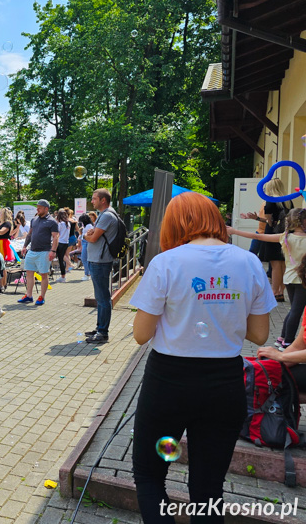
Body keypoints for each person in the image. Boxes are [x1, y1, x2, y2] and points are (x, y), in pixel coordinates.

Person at [129, 191, 274, 523]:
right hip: (224, 384)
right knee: (208, 488)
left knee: (150, 477)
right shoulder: (248, 262)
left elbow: (140, 335)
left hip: (168, 381)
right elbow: (259, 334)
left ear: (176, 222)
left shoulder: (166, 262)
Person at [228, 208, 306, 350]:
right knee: (297, 311)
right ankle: (288, 342)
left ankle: (281, 338)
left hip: (288, 278)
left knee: (294, 310)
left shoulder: (286, 237)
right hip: (302, 280)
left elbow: (258, 236)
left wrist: (234, 231)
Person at [242, 178, 291, 301]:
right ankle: (281, 291)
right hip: (285, 235)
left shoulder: (270, 201)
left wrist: (258, 219)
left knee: (275, 266)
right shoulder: (288, 201)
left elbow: (270, 222)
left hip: (272, 235)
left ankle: (275, 292)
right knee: (283, 265)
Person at [82, 189, 118, 343]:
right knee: (100, 297)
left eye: (94, 198)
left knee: (103, 298)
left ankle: (103, 332)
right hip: (97, 260)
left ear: (103, 200)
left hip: (100, 261)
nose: (92, 201)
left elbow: (93, 238)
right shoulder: (106, 214)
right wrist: (91, 233)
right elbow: (95, 234)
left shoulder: (107, 215)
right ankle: (99, 328)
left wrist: (85, 235)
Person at [19, 200, 59, 306]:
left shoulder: (52, 221)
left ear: (46, 209)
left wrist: (53, 251)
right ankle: (28, 295)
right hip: (32, 251)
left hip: (44, 251)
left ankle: (42, 297)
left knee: (44, 274)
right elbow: (29, 235)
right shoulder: (34, 219)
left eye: (40, 207)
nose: (37, 209)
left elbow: (55, 237)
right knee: (29, 273)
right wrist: (24, 246)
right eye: (37, 207)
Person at [54, 208, 71, 283]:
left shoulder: (60, 224)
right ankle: (63, 275)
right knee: (62, 258)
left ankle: (63, 276)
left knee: (60, 260)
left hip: (60, 242)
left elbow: (57, 234)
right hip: (66, 242)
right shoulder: (68, 223)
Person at [78, 212, 96, 282]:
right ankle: (88, 273)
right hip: (85, 242)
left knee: (84, 258)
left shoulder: (88, 226)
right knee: (85, 259)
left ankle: (87, 274)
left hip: (86, 242)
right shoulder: (87, 226)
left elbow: (87, 235)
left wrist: (82, 235)